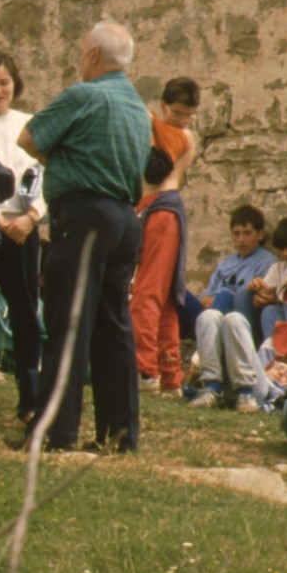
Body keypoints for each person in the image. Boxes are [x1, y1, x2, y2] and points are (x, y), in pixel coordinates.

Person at [21, 20, 153, 454]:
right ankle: (120, 434)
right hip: (124, 219)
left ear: (94, 55)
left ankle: (57, 431)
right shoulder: (138, 106)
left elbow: (29, 137)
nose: (80, 61)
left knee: (69, 324)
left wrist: (60, 160)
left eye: (81, 53)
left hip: (83, 215)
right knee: (113, 325)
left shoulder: (84, 95)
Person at [0, 51, 44, 424]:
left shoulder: (29, 124)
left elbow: (46, 176)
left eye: (4, 82)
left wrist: (32, 218)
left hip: (24, 231)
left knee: (25, 314)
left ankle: (30, 398)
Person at [198, 236, 287, 411]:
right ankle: (212, 388)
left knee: (236, 319)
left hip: (261, 390)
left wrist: (286, 371)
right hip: (258, 371)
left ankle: (244, 393)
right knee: (210, 316)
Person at [186, 208, 286, 408]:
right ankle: (211, 387)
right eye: (237, 233)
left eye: (247, 233)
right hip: (213, 317)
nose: (241, 239)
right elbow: (207, 292)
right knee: (188, 299)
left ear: (260, 234)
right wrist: (206, 299)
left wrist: (218, 298)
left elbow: (257, 295)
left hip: (242, 322)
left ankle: (241, 390)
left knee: (227, 300)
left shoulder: (267, 261)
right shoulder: (226, 262)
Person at [131, 148, 192, 398]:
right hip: (165, 213)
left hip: (160, 216)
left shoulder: (159, 206)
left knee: (146, 297)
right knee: (164, 302)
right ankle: (170, 377)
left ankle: (146, 373)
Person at [151, 76, 201, 189]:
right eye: (176, 114)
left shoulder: (184, 136)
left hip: (163, 198)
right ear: (163, 106)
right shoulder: (157, 126)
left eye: (188, 116)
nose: (183, 121)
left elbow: (156, 173)